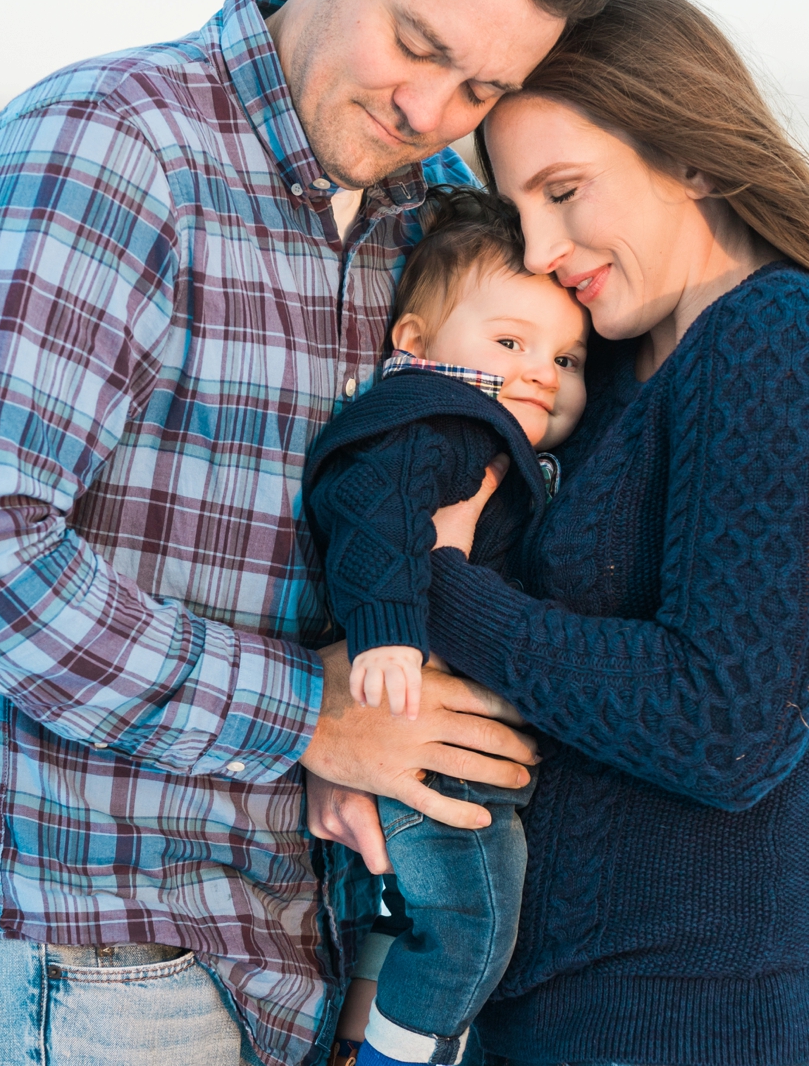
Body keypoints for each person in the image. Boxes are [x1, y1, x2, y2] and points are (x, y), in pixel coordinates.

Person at [0, 0, 613, 1066]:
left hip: (292, 957)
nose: (430, 106)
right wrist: (304, 717)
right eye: (413, 44)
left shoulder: (425, 222)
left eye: (480, 88)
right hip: (73, 947)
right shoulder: (109, 147)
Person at [308, 0, 809, 1065]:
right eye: (518, 205)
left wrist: (425, 590)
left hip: (710, 1023)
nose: (536, 246)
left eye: (565, 191)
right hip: (556, 1025)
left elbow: (726, 727)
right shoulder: (607, 371)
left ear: (694, 160)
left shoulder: (787, 340)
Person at [300, 185, 587, 1066]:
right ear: (416, 345)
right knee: (475, 924)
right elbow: (372, 507)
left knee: (412, 914)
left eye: (569, 358)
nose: (542, 370)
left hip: (425, 736)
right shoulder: (447, 420)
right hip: (418, 731)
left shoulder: (489, 430)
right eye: (511, 342)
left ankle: (360, 1033)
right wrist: (387, 628)